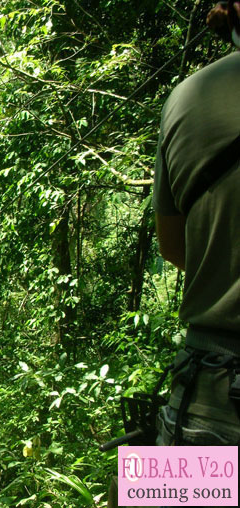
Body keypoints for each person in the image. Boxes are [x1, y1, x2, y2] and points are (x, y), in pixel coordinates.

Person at [153, 1, 240, 447]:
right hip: (211, 386)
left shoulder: (186, 98)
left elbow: (174, 247)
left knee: (144, 487)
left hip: (209, 394)